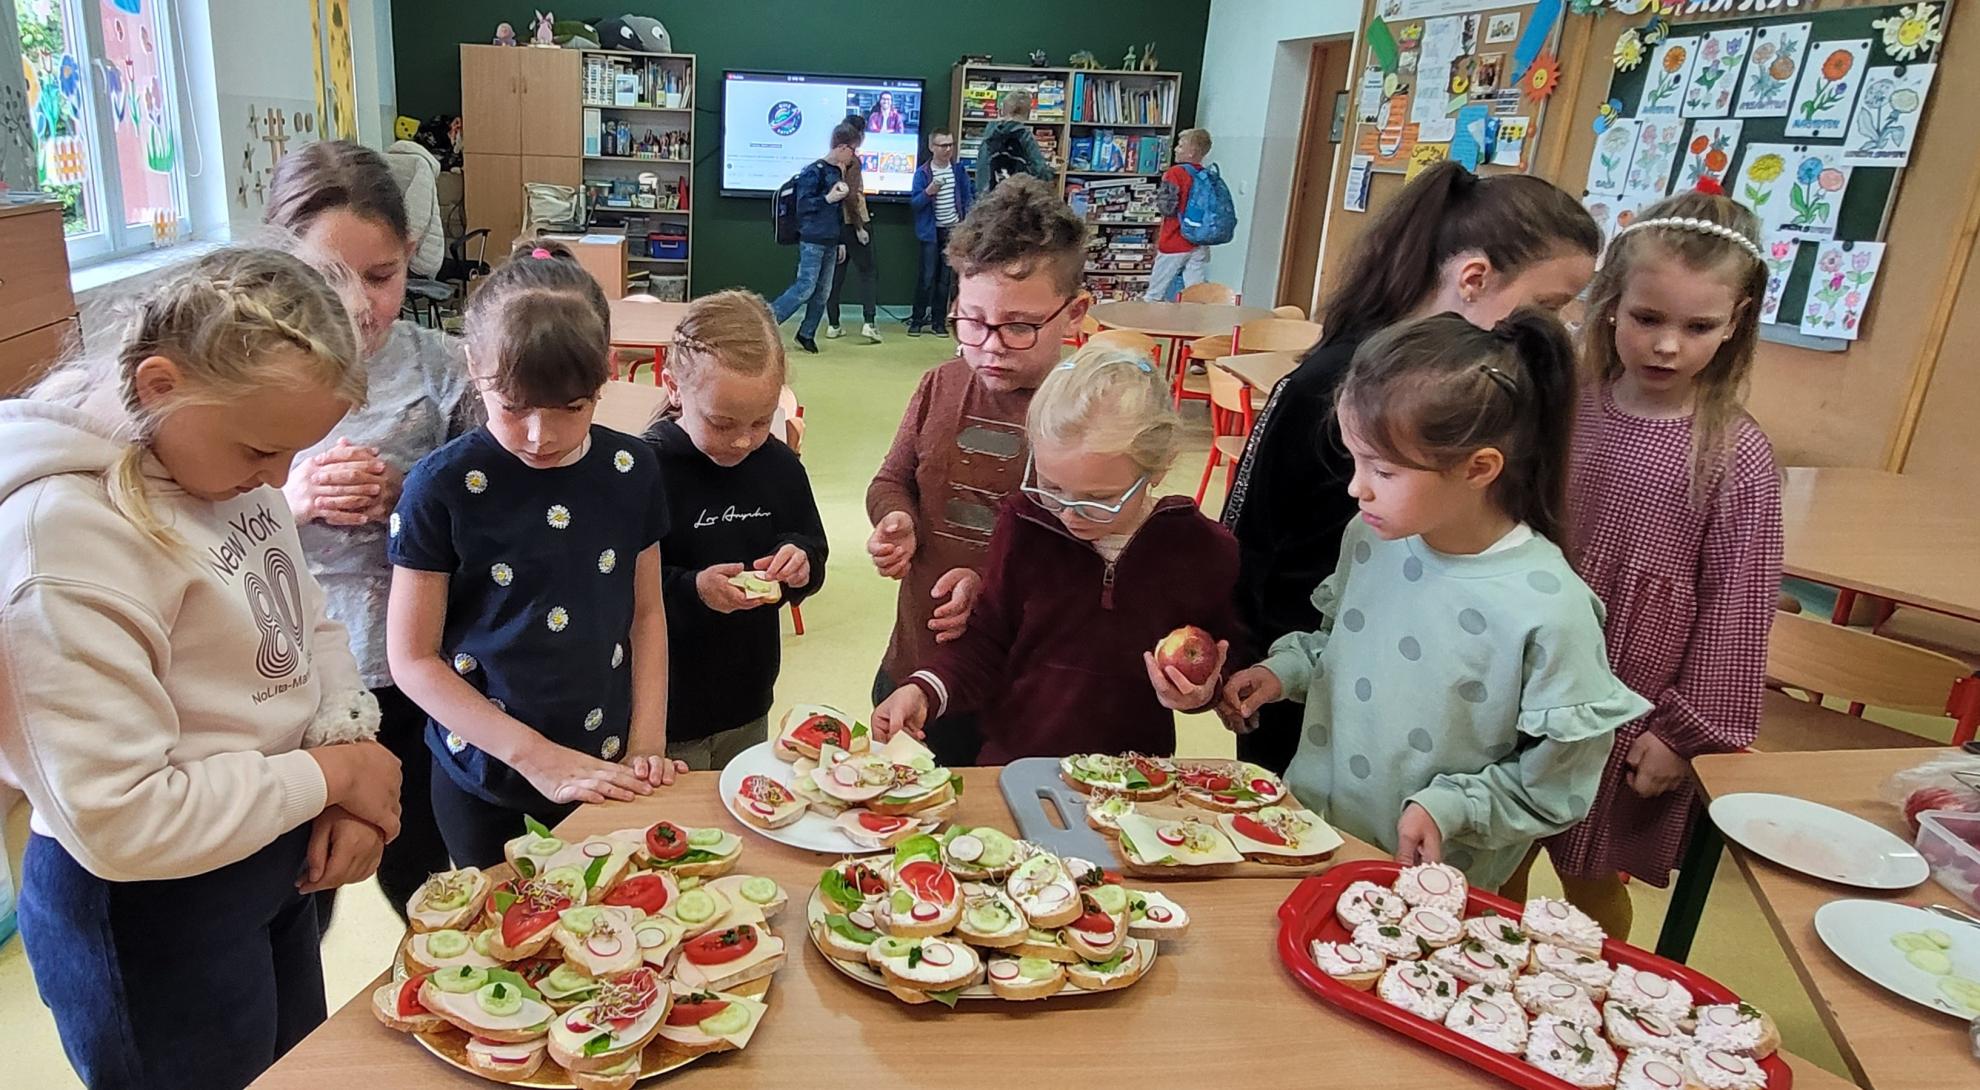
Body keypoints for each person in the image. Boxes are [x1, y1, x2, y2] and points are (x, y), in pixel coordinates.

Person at [0, 246, 404, 1090]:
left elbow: (309, 622)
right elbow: (123, 818)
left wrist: (342, 757)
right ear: (160, 386)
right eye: (261, 450)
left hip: (267, 851)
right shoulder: (63, 542)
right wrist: (334, 775)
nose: (279, 480)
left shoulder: (226, 472)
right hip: (150, 907)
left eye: (294, 453)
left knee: (290, 1068)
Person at [1223, 310, 1650, 888]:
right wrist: (1283, 672)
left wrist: (1453, 807)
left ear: (1479, 468)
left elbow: (1555, 784)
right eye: (1354, 460)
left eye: (1383, 471)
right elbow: (1339, 645)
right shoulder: (1368, 538)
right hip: (1314, 839)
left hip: (1428, 889)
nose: (1356, 487)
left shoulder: (1549, 609)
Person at [1222, 162, 1602, 775]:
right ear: (1473, 278)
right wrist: (1262, 659)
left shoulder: (1542, 599)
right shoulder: (1347, 383)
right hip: (1307, 690)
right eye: (1547, 305)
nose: (1549, 329)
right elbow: (1254, 529)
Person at [1502, 192, 1782, 937]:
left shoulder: (1736, 456)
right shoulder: (1568, 409)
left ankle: (1593, 992)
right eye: (1647, 318)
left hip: (1631, 700)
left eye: (1698, 327)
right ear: (1610, 307)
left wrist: (1684, 735)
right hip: (1526, 677)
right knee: (1496, 851)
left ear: (1736, 322)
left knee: (1587, 878)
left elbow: (1739, 608)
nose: (1666, 346)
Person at [385, 241, 684, 870]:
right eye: (514, 407)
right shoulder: (440, 487)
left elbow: (646, 614)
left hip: (608, 763)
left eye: (571, 408)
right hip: (486, 777)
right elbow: (412, 659)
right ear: (474, 366)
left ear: (605, 372)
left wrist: (648, 740)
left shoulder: (633, 469)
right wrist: (535, 757)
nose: (540, 436)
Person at [266, 140, 464, 924]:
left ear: (409, 255)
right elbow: (202, 521)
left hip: (413, 661)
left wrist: (413, 499)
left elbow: (499, 522)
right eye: (325, 279)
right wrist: (291, 498)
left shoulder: (445, 370)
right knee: (298, 886)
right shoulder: (250, 373)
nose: (357, 305)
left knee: (421, 869)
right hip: (287, 677)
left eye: (380, 277)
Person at [872, 347, 1244, 760]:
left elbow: (1221, 653)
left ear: (1158, 469)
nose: (1069, 513)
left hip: (1132, 772)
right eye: (1051, 488)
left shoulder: (1202, 551)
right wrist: (923, 689)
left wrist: (1203, 693)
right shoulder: (1027, 523)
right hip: (1014, 763)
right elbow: (986, 640)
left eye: (1099, 499)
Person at [866, 176, 1090, 766]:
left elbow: (1092, 559)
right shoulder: (940, 384)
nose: (990, 345)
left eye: (1018, 326)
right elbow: (892, 479)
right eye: (971, 321)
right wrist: (896, 520)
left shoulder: (1090, 414)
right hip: (915, 668)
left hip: (1024, 693)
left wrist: (992, 589)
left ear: (1074, 313)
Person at [642, 290, 828, 771]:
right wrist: (693, 589)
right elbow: (615, 586)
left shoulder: (780, 467)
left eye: (761, 421)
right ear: (673, 388)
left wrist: (800, 561)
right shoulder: (644, 470)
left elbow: (812, 545)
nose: (744, 440)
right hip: (663, 706)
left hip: (747, 698)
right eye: (722, 423)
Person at [770, 126, 856, 354]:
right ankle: (767, 322)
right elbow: (804, 205)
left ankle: (807, 333)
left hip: (831, 240)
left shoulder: (836, 173)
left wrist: (841, 241)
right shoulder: (813, 172)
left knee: (823, 292)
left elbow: (838, 211)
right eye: (852, 150)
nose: (853, 156)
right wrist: (827, 198)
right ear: (841, 147)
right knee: (805, 287)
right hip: (813, 240)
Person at [908, 128, 973, 336]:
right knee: (926, 278)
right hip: (930, 233)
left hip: (952, 232)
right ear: (932, 147)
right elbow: (915, 204)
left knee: (945, 281)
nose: (948, 149)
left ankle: (938, 322)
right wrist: (928, 192)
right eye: (943, 145)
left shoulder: (958, 171)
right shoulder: (923, 173)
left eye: (950, 145)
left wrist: (965, 224)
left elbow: (968, 198)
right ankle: (917, 320)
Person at [826, 118, 881, 344]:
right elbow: (850, 196)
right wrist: (859, 227)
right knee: (867, 273)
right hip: (854, 223)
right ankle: (869, 323)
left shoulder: (828, 161)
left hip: (835, 225)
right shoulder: (853, 162)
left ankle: (833, 324)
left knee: (835, 277)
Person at [1143, 128, 1214, 302]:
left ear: (1191, 152)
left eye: (1180, 146)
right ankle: (1194, 318)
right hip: (1199, 241)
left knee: (1154, 294)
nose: (1175, 149)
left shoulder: (1175, 173)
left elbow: (1167, 208)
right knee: (1195, 295)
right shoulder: (1206, 175)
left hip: (1175, 239)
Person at [976, 90, 1056, 195]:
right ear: (1028, 113)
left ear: (1003, 110)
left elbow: (981, 169)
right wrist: (1052, 169)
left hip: (989, 197)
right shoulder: (1024, 135)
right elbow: (1040, 172)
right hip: (1015, 198)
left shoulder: (989, 133)